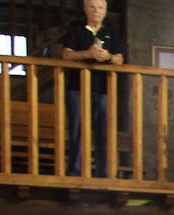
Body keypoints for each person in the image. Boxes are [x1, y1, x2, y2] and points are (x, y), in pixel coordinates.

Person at [60, 0, 123, 178]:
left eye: (100, 7)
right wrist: (88, 54)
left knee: (104, 131)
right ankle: (75, 170)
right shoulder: (76, 27)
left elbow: (119, 58)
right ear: (86, 9)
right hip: (77, 87)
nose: (96, 11)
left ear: (105, 10)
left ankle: (103, 172)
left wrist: (107, 56)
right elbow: (66, 54)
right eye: (92, 7)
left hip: (103, 88)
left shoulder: (111, 29)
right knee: (77, 130)